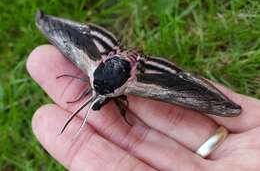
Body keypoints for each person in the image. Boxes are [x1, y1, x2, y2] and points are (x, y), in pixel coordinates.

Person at [27, 45, 260, 171]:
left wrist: (223, 107)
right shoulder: (92, 73)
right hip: (108, 61)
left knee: (180, 92)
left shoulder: (134, 87)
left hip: (131, 69)